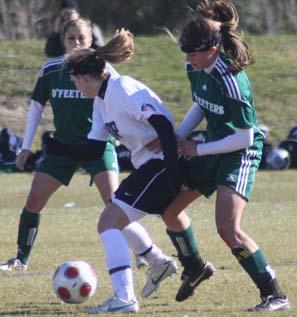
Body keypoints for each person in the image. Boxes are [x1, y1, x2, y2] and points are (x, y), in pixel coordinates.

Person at [0, 19, 178, 299]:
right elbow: (36, 107)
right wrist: (28, 146)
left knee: (116, 205)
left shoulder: (105, 75)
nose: (76, 43)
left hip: (98, 146)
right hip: (66, 147)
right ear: (63, 40)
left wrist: (163, 154)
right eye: (71, 38)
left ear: (90, 40)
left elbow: (137, 116)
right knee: (34, 200)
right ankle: (21, 258)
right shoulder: (52, 70)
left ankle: (147, 261)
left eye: (81, 38)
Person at [44, 28, 214, 313]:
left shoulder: (123, 89)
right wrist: (58, 148)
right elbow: (94, 150)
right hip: (153, 166)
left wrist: (172, 169)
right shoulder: (101, 101)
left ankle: (125, 298)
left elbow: (160, 122)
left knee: (108, 223)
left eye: (74, 79)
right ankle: (175, 265)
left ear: (85, 77)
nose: (75, 85)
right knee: (126, 217)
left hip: (163, 164)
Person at [160, 0, 290, 312]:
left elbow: (244, 136)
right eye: (186, 52)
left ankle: (275, 295)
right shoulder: (195, 65)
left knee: (228, 228)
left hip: (240, 151)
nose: (188, 58)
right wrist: (178, 136)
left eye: (193, 52)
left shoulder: (233, 79)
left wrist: (196, 148)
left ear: (213, 48)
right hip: (215, 145)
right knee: (169, 210)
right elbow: (202, 103)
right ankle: (195, 268)